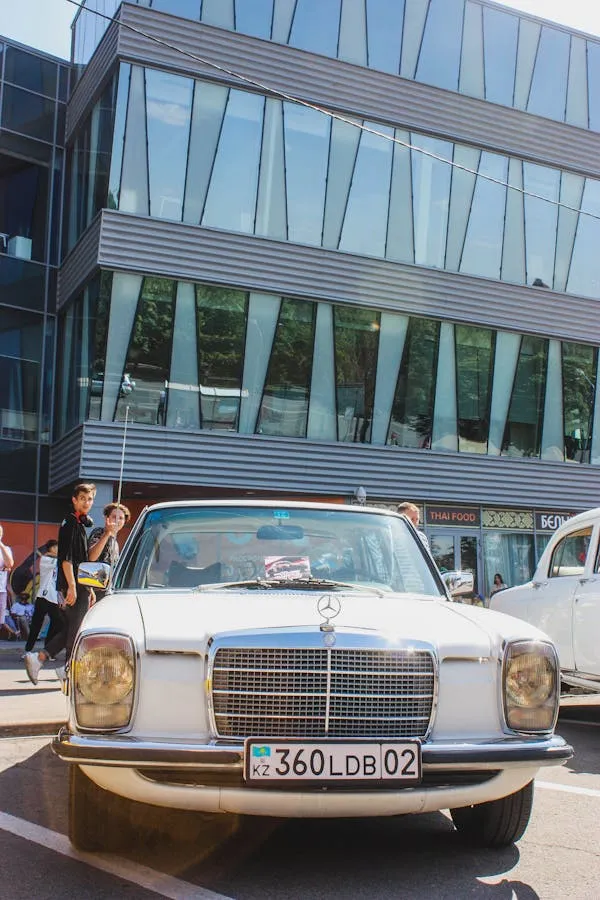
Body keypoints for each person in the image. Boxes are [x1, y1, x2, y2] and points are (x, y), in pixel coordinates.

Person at [24, 483, 97, 686]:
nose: (86, 502)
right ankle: (66, 669)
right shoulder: (71, 523)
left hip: (80, 585)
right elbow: (66, 559)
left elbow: (82, 559)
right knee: (76, 630)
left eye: (90, 499)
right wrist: (72, 587)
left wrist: (88, 587)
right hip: (73, 585)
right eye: (82, 498)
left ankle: (43, 660)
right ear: (74, 500)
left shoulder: (78, 524)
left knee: (74, 627)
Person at [23, 540, 66, 653]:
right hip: (43, 596)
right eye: (56, 547)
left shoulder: (54, 560)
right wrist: (49, 555)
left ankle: (48, 649)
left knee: (58, 623)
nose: (58, 549)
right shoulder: (45, 560)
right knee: (36, 624)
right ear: (51, 548)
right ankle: (28, 650)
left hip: (53, 598)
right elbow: (59, 560)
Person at [87, 502, 131, 600]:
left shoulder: (115, 542)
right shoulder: (99, 533)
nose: (117, 521)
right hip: (94, 591)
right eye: (114, 517)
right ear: (106, 518)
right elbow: (91, 557)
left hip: (108, 591)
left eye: (121, 518)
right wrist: (106, 534)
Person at [0, 523, 15, 639]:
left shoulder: (6, 549)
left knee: (1, 620)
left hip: (1, 590)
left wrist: (1, 545)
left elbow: (9, 563)